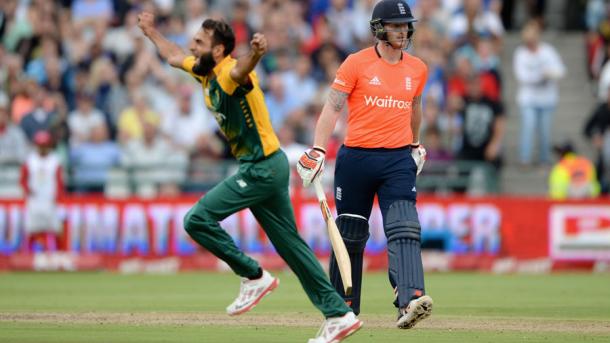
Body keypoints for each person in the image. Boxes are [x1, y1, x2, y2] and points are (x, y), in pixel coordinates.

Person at [137, 11, 362, 343]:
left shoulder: (228, 73)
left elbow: (242, 70)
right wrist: (151, 31)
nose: (191, 45)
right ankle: (339, 314)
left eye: (199, 42)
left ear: (217, 51)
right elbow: (172, 54)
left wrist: (256, 53)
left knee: (197, 220)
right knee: (293, 248)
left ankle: (253, 275)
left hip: (260, 169)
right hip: (267, 167)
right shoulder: (204, 71)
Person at [297, 0, 433, 330]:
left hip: (398, 159)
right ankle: (341, 309)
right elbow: (332, 108)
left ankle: (410, 298)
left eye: (406, 25)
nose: (403, 31)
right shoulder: (356, 64)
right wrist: (317, 149)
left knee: (404, 225)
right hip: (356, 159)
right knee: (350, 234)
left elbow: (415, 109)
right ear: (379, 28)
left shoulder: (417, 68)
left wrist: (415, 145)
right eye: (396, 26)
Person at [513, 20, 565, 167]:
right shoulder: (521, 54)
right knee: (528, 127)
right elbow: (522, 77)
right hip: (528, 98)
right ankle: (525, 158)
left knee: (545, 131)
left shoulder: (548, 51)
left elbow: (560, 70)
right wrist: (541, 75)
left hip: (547, 99)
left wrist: (550, 74)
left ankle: (544, 158)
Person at [20, 131, 64, 252]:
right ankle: (28, 253)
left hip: (49, 200)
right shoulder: (30, 160)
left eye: (45, 145)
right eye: (40, 145)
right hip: (34, 200)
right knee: (31, 229)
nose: (42, 148)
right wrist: (28, 191)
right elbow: (23, 179)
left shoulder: (55, 160)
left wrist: (57, 196)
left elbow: (60, 181)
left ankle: (54, 253)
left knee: (53, 228)